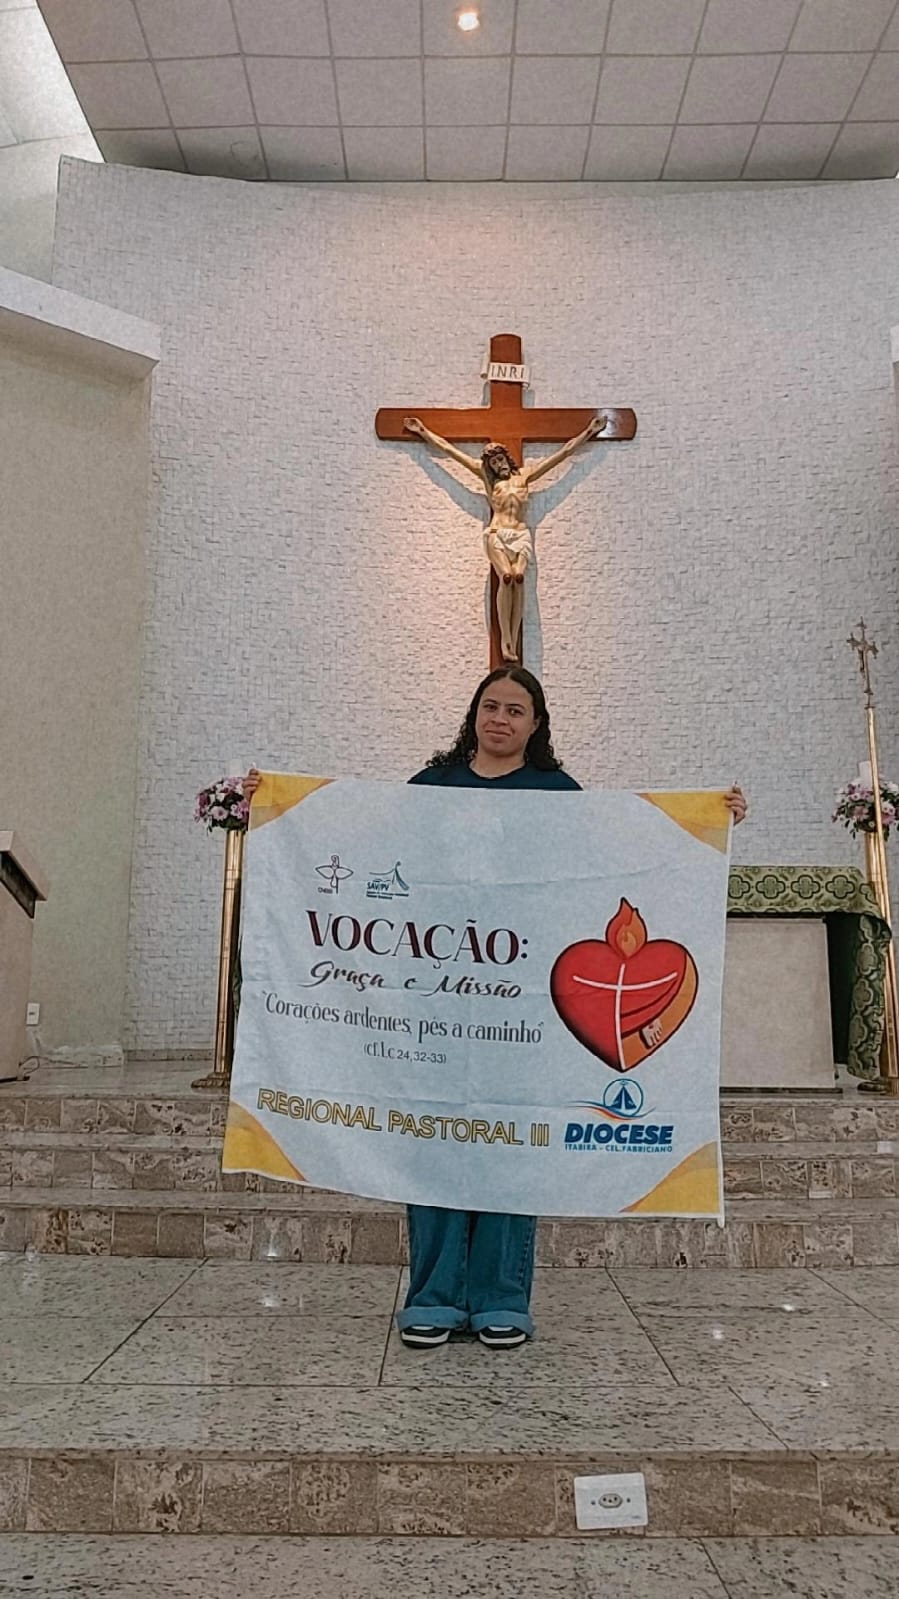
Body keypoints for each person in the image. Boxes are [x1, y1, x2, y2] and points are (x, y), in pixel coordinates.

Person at [242, 667, 748, 1351]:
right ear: (473, 714)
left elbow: (615, 860)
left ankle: (501, 1297)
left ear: (536, 724)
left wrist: (707, 820)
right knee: (433, 1143)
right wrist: (279, 807)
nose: (500, 719)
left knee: (511, 1145)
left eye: (515, 709)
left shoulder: (557, 795)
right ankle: (433, 1297)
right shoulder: (432, 787)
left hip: (521, 1008)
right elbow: (365, 843)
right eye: (490, 706)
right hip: (438, 998)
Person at [402, 415, 608, 663]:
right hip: (497, 534)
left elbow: (562, 454)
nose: (497, 464)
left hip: (520, 534)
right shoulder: (488, 479)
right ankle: (505, 641)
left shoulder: (525, 477)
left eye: (499, 459)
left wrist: (589, 432)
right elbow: (450, 451)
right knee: (507, 577)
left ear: (506, 458)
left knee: (519, 578)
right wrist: (423, 431)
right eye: (493, 462)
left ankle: (514, 636)